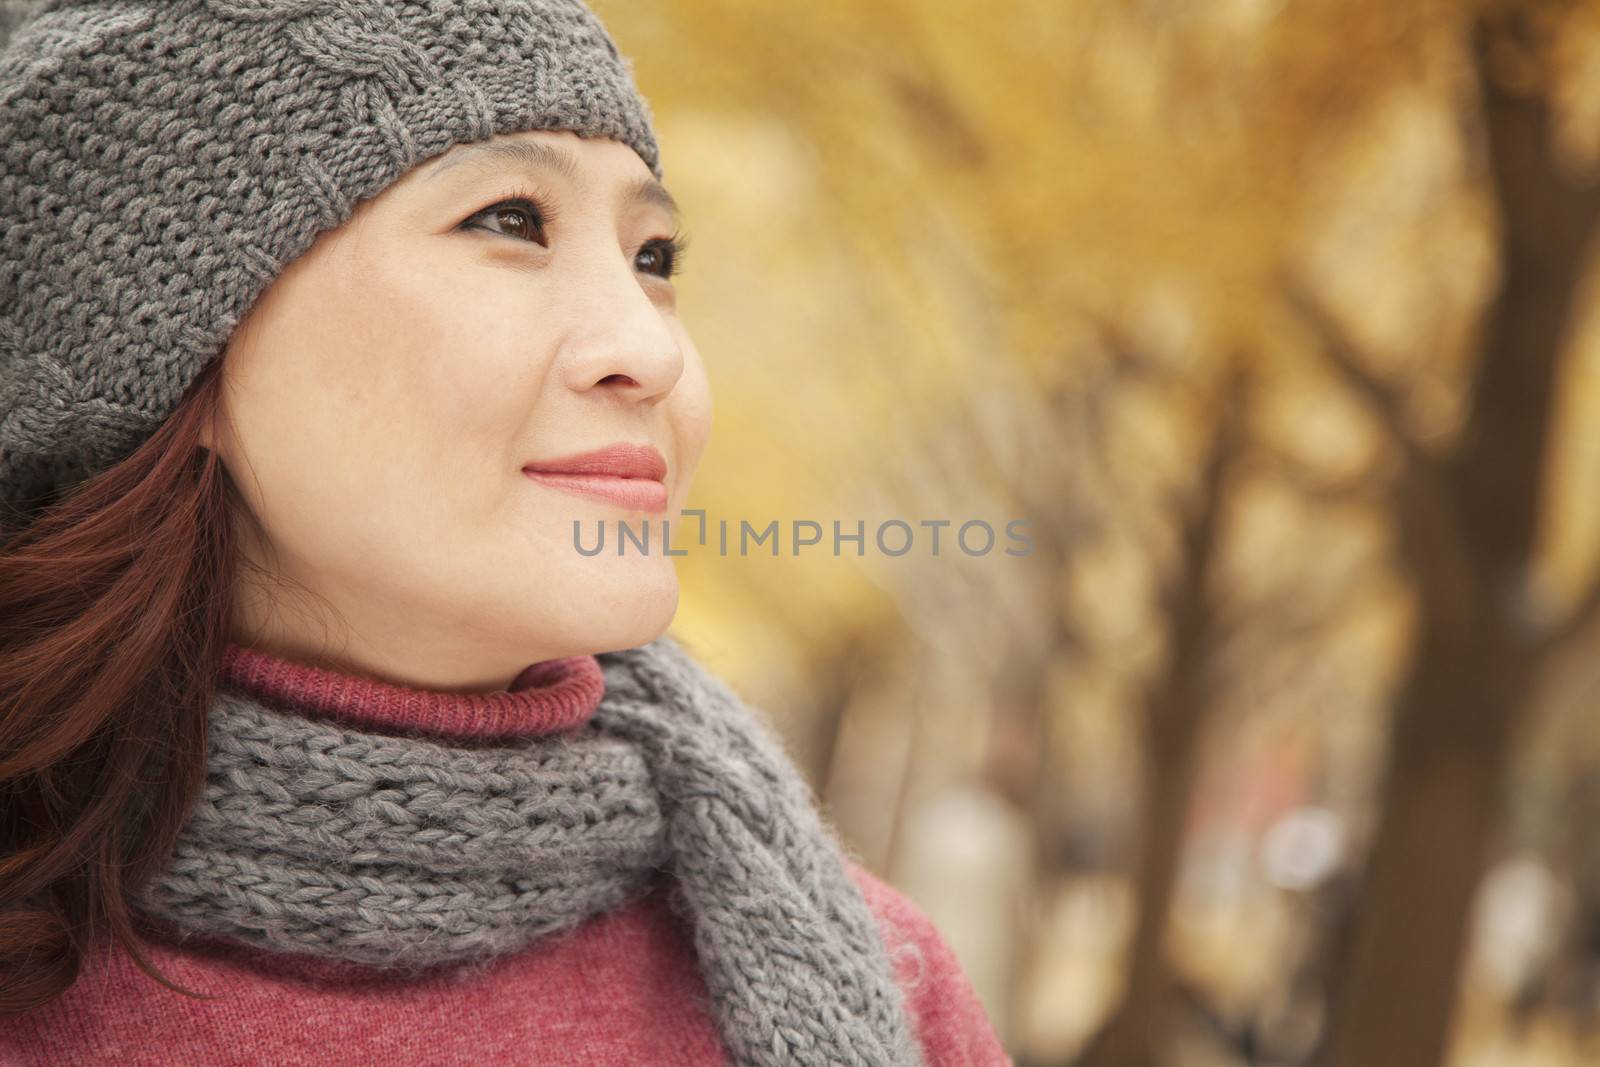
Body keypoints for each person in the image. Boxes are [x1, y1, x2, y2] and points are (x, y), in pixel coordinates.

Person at [0, 2, 1012, 1064]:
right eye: (511, 220)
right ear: (173, 348)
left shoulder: (890, 992)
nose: (650, 352)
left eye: (654, 255)